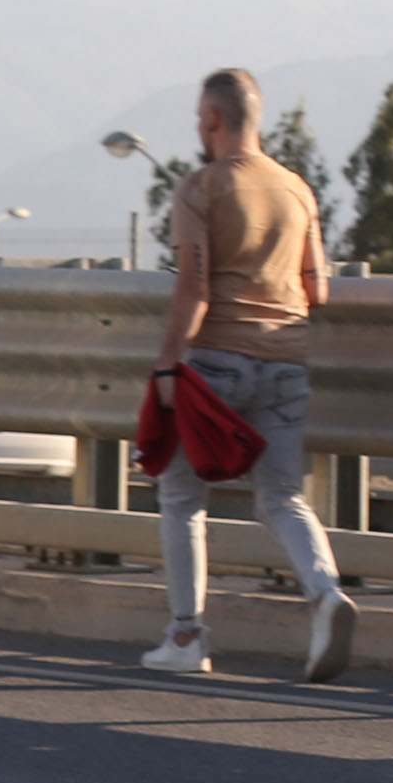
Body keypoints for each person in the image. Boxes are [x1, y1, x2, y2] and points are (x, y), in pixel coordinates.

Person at [142, 67, 352, 681]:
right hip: (287, 362)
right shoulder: (297, 189)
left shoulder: (199, 188)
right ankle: (325, 595)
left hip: (215, 365)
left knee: (182, 499)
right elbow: (318, 288)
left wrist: (167, 364)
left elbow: (196, 288)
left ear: (211, 119)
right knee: (283, 498)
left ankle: (186, 637)